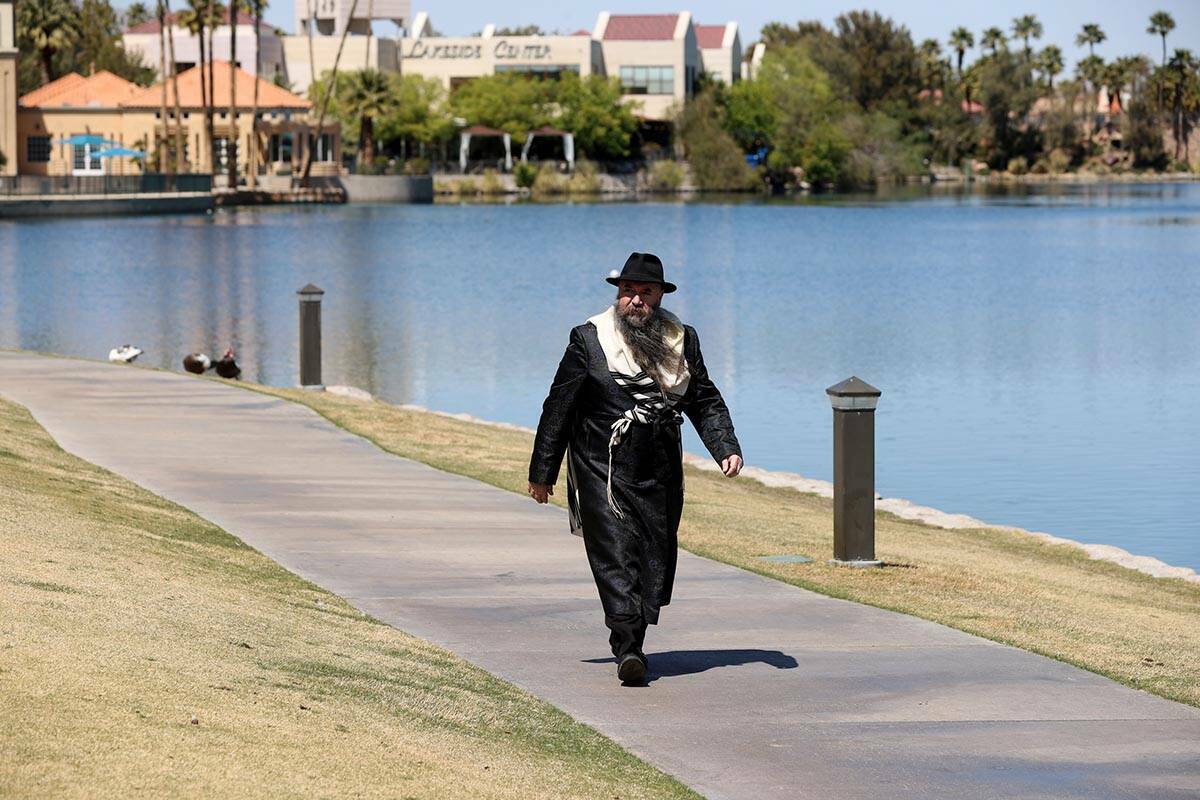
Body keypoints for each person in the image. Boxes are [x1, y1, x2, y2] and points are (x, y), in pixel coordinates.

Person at [527, 252, 743, 685]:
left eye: (645, 292)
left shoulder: (683, 340)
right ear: (618, 295)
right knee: (615, 552)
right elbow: (559, 406)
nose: (635, 300)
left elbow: (703, 399)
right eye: (628, 291)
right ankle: (627, 646)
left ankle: (634, 638)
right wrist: (543, 472)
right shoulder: (589, 339)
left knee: (653, 555)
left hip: (658, 466)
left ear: (660, 296)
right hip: (600, 467)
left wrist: (725, 447)